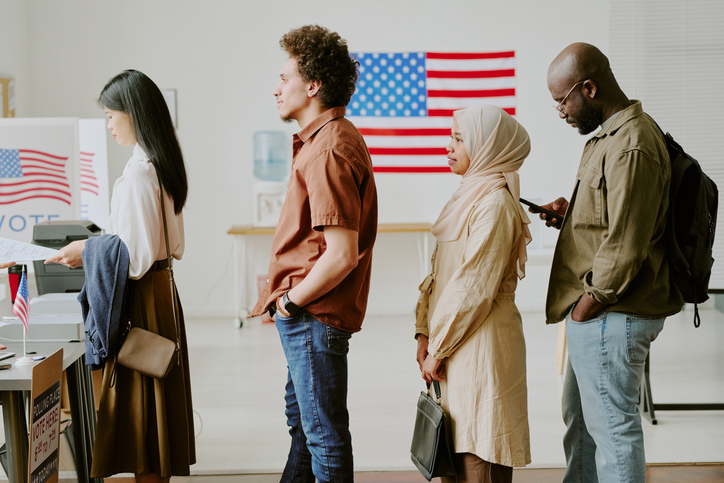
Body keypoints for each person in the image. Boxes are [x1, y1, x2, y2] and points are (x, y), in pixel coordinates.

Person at [536, 43, 684, 483]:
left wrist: (586, 307)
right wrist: (572, 215)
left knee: (614, 433)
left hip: (611, 311)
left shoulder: (632, 144)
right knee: (582, 427)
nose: (560, 112)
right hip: (603, 311)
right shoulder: (610, 136)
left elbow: (625, 245)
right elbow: (616, 218)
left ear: (590, 88)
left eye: (562, 101)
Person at [46, 69, 195, 483]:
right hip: (162, 294)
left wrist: (86, 249)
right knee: (154, 414)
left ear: (134, 114)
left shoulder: (139, 175)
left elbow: (132, 258)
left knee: (140, 417)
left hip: (142, 299)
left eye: (112, 115)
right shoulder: (161, 165)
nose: (108, 124)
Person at [249, 25, 377, 483]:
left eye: (285, 78)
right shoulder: (325, 141)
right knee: (306, 431)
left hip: (313, 318)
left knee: (322, 437)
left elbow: (343, 254)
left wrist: (290, 301)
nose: (277, 88)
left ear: (313, 85)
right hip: (307, 317)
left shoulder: (328, 149)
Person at [415, 104, 532, 483]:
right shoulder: (468, 196)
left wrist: (438, 345)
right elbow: (439, 275)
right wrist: (424, 332)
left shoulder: (495, 204)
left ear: (486, 146)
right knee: (456, 454)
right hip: (454, 346)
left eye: (458, 138)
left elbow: (472, 288)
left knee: (479, 455)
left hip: (481, 349)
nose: (448, 146)